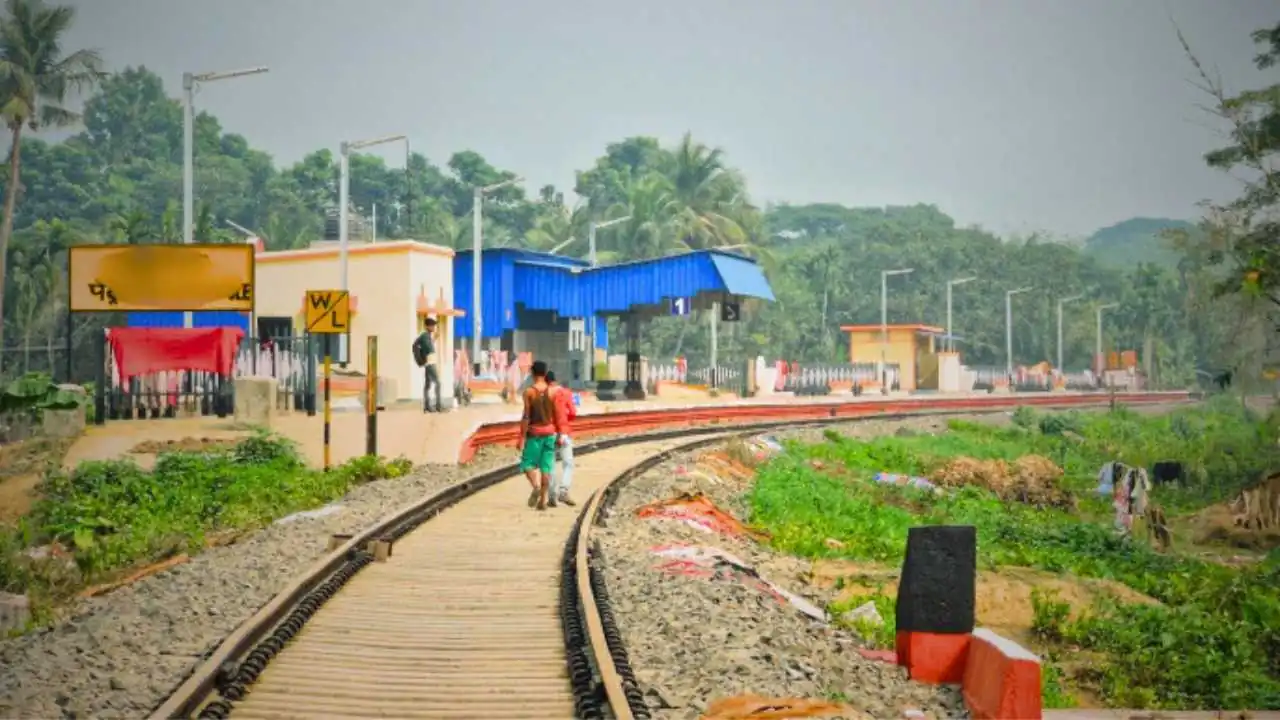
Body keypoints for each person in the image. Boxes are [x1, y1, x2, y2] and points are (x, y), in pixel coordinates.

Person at [518, 360, 566, 510]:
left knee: (527, 464)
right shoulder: (553, 392)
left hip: (534, 434)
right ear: (545, 374)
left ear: (532, 373)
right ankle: (543, 501)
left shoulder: (528, 392)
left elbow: (526, 416)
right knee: (546, 468)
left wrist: (522, 437)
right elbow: (558, 415)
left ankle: (536, 486)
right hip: (550, 433)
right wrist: (560, 434)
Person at [545, 370, 577, 507]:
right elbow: (573, 413)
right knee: (568, 463)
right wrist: (565, 420)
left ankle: (552, 495)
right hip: (563, 432)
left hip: (547, 434)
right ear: (555, 380)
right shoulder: (565, 393)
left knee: (550, 464)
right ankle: (563, 491)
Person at [413, 318, 442, 412]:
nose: (433, 327)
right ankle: (438, 406)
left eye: (434, 325)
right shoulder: (424, 336)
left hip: (429, 362)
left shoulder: (427, 336)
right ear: (427, 326)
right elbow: (427, 348)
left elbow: (426, 346)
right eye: (432, 325)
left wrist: (434, 339)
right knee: (438, 383)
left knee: (427, 385)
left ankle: (427, 406)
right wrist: (421, 358)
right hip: (430, 363)